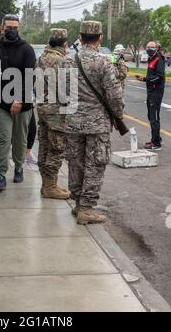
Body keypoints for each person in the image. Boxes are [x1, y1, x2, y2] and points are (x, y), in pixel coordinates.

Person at [63, 21, 124, 224]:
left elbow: (61, 94)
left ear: (80, 37)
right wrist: (118, 116)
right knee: (95, 164)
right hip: (97, 124)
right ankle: (86, 208)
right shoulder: (104, 63)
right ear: (100, 38)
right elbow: (115, 96)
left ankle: (78, 204)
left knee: (75, 162)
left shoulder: (67, 61)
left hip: (72, 121)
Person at [0, 14, 36, 192]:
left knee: (20, 139)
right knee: (3, 138)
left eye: (15, 28)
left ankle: (18, 167)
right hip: (2, 104)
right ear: (2, 28)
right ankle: (1, 174)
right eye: (9, 27)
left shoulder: (27, 49)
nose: (12, 30)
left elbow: (29, 77)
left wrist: (19, 100)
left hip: (23, 103)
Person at [35, 28, 69, 200]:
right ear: (64, 43)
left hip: (42, 109)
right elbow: (66, 89)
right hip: (56, 111)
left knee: (44, 147)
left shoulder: (41, 58)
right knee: (57, 149)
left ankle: (47, 184)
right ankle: (50, 187)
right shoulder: (62, 61)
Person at [136, 41, 165, 150]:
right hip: (150, 92)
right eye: (147, 47)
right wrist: (145, 78)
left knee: (154, 118)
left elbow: (160, 77)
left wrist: (145, 79)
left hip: (156, 93)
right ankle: (156, 138)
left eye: (151, 47)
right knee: (151, 116)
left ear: (156, 48)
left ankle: (156, 143)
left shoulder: (158, 59)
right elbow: (152, 75)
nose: (149, 49)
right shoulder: (151, 58)